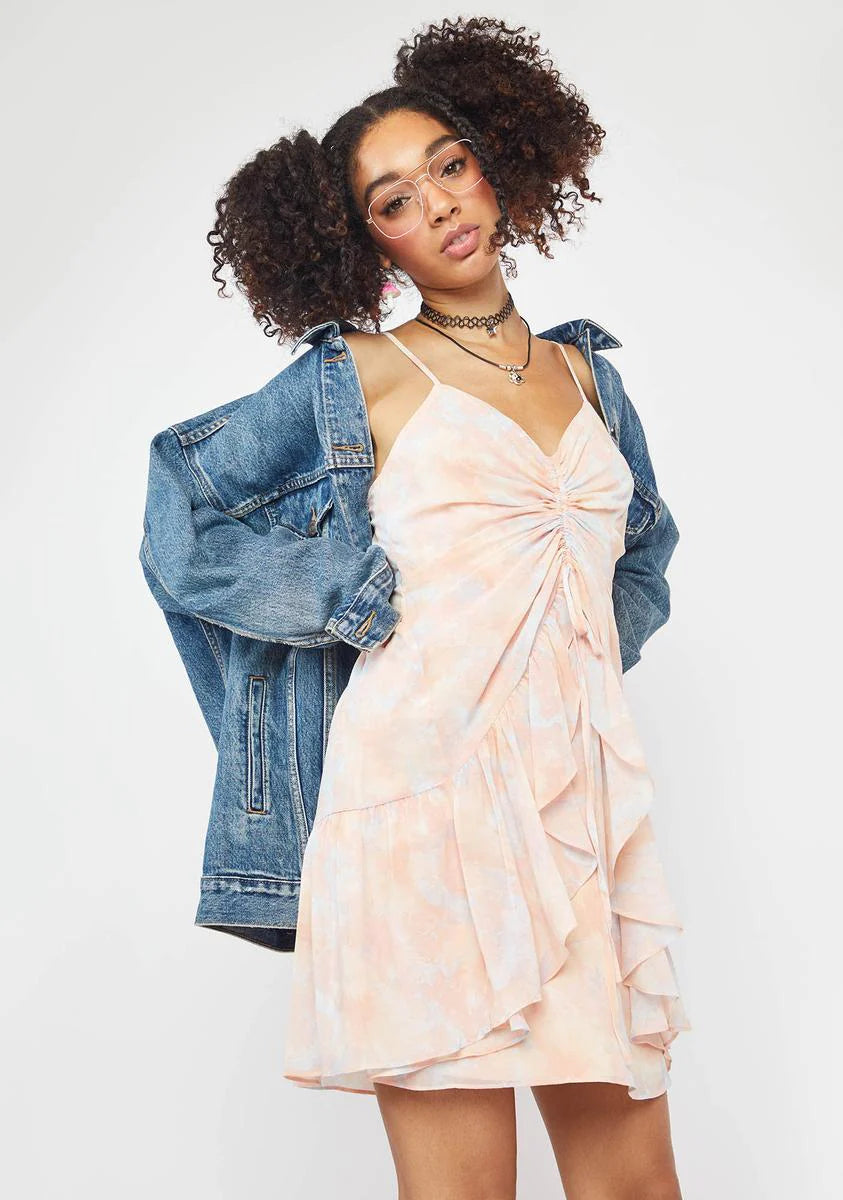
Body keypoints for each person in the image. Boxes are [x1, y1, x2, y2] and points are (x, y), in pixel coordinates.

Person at [205, 15, 690, 1200]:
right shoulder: (360, 375)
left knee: (636, 1187)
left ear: (497, 163)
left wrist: (566, 669)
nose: (438, 205)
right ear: (361, 240)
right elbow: (188, 511)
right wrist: (345, 598)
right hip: (420, 815)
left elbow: (639, 560)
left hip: (572, 811)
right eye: (393, 200)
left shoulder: (588, 376)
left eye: (450, 165)